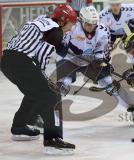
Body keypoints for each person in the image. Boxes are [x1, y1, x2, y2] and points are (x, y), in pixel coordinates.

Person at [0, 4, 77, 155]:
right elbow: (42, 55)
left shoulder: (41, 20)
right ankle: (53, 141)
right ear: (62, 21)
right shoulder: (56, 31)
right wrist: (43, 78)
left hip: (6, 60)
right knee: (52, 94)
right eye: (70, 24)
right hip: (22, 61)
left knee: (35, 91)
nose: (71, 28)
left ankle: (20, 127)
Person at [55, 6, 134, 126]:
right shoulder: (72, 28)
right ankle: (44, 114)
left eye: (93, 24)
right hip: (70, 58)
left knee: (109, 84)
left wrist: (102, 62)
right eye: (88, 24)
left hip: (90, 60)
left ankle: (133, 109)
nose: (91, 27)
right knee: (61, 85)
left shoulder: (103, 30)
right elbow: (61, 47)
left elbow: (103, 51)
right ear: (81, 20)